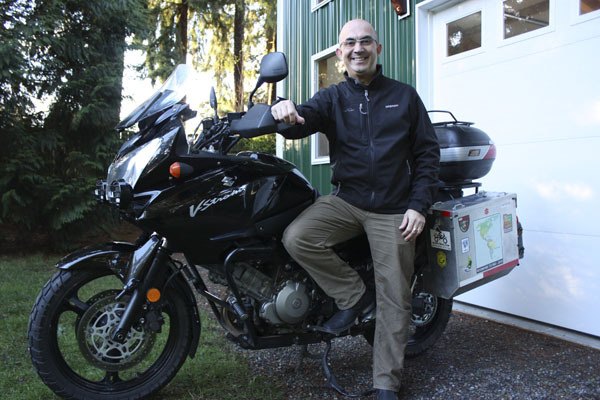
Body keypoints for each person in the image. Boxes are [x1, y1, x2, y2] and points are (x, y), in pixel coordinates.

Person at [271, 19, 440, 400]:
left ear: (378, 49)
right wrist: (286, 115)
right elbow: (303, 119)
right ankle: (353, 297)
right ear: (339, 53)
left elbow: (428, 154)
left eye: (365, 42)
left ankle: (385, 384)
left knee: (395, 297)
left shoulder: (404, 96)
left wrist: (418, 206)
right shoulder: (333, 97)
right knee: (298, 237)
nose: (358, 49)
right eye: (350, 43)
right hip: (347, 201)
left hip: (394, 209)